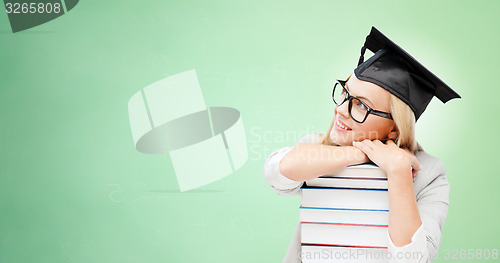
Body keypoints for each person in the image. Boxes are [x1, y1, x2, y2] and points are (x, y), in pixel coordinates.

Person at [263, 27, 461, 263]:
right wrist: (361, 152)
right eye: (345, 94)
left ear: (395, 128)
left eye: (360, 106)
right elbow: (277, 172)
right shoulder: (320, 150)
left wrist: (398, 171)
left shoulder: (429, 174)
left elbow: (414, 258)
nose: (340, 109)